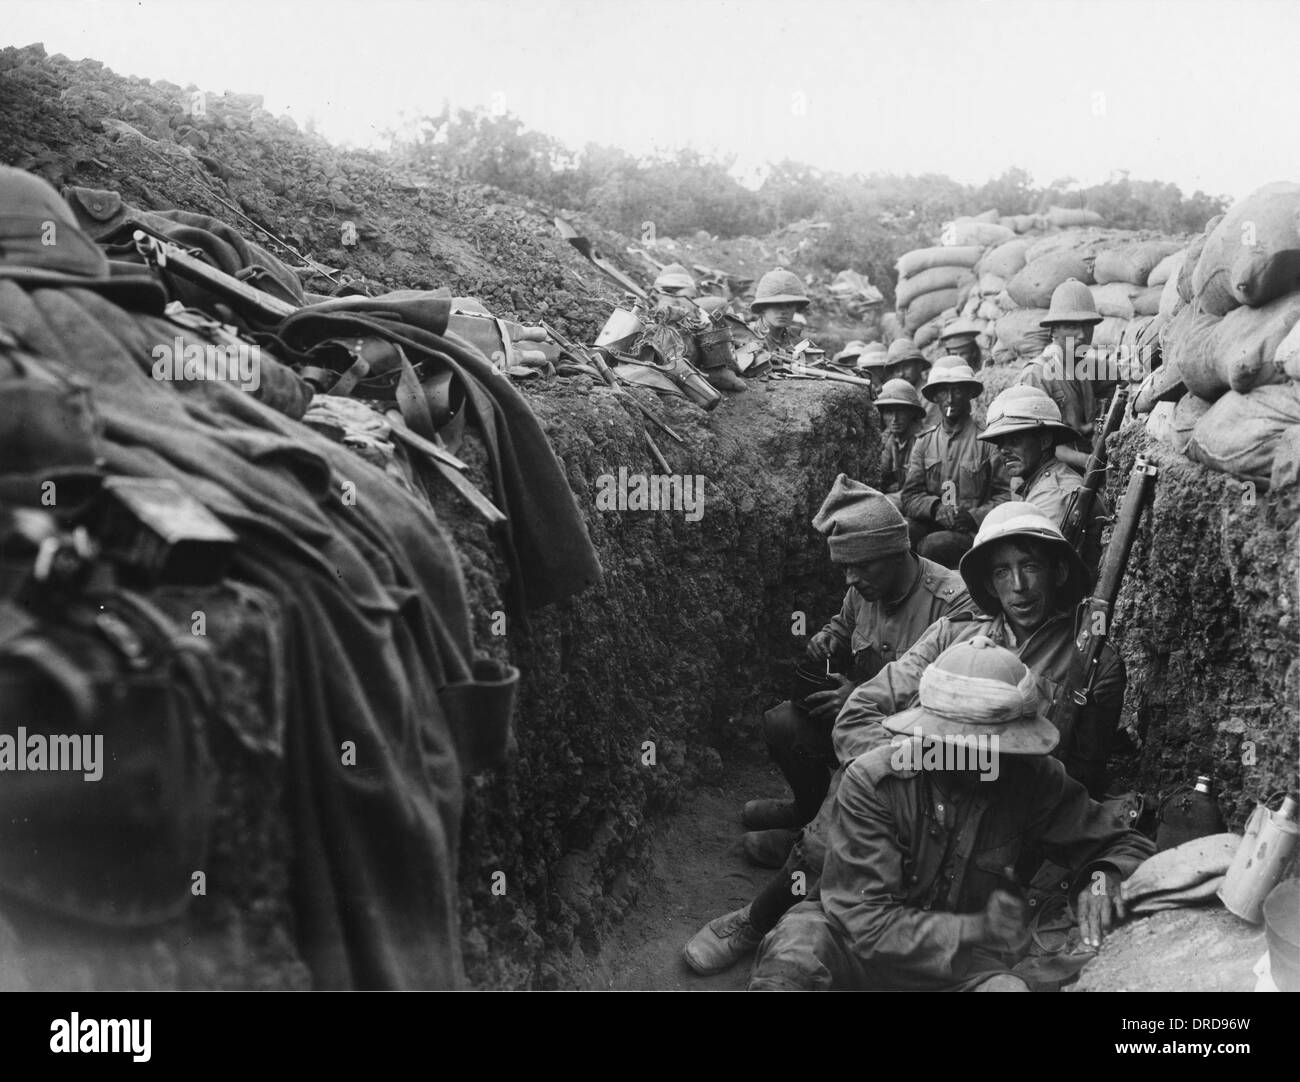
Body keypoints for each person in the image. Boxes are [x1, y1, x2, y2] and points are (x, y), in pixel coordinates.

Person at [681, 503, 1126, 977]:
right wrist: (911, 769)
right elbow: (860, 711)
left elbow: (1086, 775)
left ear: (1058, 571)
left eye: (1031, 567)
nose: (1017, 586)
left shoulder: (1094, 661)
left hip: (1009, 813)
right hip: (919, 787)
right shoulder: (954, 635)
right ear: (988, 581)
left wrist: (1091, 868)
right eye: (1002, 571)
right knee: (831, 843)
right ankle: (763, 917)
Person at [748, 636, 1155, 991]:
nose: (985, 760)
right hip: (854, 946)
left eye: (997, 747)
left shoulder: (1030, 777)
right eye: (966, 745)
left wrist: (1103, 878)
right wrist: (980, 927)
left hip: (961, 966)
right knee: (796, 950)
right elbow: (865, 923)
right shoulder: (874, 782)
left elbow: (1123, 841)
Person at [736, 476, 973, 865]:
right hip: (859, 724)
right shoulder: (864, 589)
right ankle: (809, 814)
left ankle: (820, 848)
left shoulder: (953, 602)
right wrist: (828, 639)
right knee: (782, 723)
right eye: (844, 567)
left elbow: (953, 703)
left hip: (918, 750)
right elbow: (844, 626)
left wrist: (859, 695)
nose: (850, 578)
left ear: (897, 552)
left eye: (860, 566)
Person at [978, 386, 1108, 576]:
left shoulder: (1054, 494)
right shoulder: (1040, 484)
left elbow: (1032, 573)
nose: (1003, 450)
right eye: (1000, 443)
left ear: (1045, 440)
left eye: (1014, 440)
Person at [900, 363, 1011, 567]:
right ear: (935, 397)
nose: (950, 399)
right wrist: (936, 508)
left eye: (957, 390)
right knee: (900, 531)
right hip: (932, 523)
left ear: (969, 394)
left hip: (973, 532)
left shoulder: (988, 441)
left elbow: (1007, 495)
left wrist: (972, 516)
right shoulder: (924, 442)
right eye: (943, 391)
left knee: (932, 546)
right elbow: (910, 496)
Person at [1017, 279, 1111, 472]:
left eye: (1088, 326)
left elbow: (1125, 375)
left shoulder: (1084, 366)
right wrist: (1090, 461)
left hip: (1083, 466)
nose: (1083, 335)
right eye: (1071, 326)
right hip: (1047, 473)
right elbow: (1035, 445)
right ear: (1053, 330)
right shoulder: (1037, 375)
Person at [873, 379, 926, 502]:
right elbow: (880, 477)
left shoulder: (923, 441)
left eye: (901, 411)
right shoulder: (890, 440)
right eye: (889, 412)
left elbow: (915, 491)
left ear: (912, 413)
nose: (894, 419)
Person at [748, 267, 811, 355]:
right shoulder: (747, 338)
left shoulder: (797, 340)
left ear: (796, 308)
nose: (783, 311)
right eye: (776, 305)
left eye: (789, 305)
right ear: (763, 307)